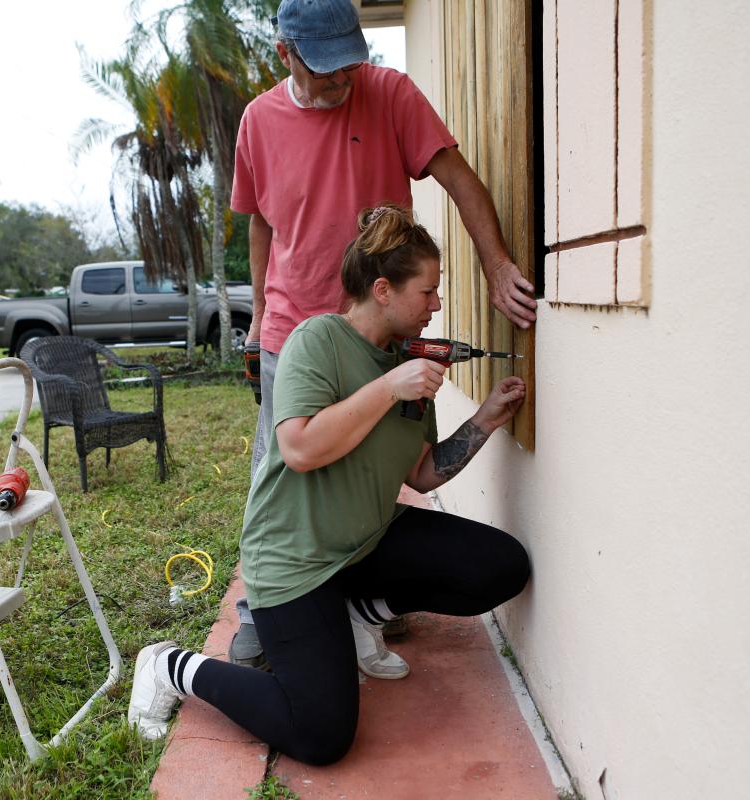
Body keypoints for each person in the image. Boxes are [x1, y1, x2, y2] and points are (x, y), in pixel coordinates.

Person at [127, 205, 530, 764]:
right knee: (322, 735)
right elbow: (299, 448)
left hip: (365, 542)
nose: (437, 306)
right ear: (383, 290)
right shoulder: (319, 341)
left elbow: (421, 472)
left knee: (501, 567)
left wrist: (484, 419)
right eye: (429, 291)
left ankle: (360, 614)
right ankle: (172, 667)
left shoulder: (407, 363)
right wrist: (390, 387)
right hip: (295, 559)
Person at [230, 0, 536, 671]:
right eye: (326, 71)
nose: (343, 83)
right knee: (282, 472)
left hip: (376, 332)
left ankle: (356, 600)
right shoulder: (259, 120)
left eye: (350, 66)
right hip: (293, 327)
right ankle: (266, 612)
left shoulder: (389, 92)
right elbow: (259, 224)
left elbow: (458, 178)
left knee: (374, 472)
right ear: (285, 52)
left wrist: (497, 265)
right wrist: (258, 316)